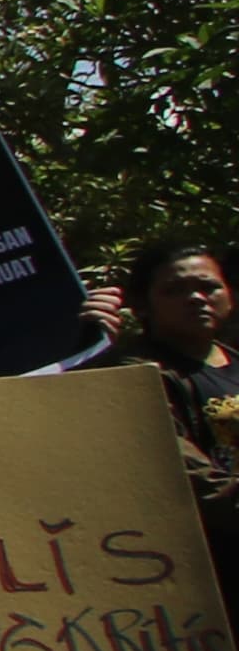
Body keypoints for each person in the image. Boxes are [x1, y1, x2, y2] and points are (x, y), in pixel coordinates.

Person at [93, 234, 239, 589]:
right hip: (204, 571)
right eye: (175, 290)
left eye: (209, 287)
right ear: (143, 305)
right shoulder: (137, 373)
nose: (197, 298)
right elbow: (180, 468)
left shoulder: (234, 362)